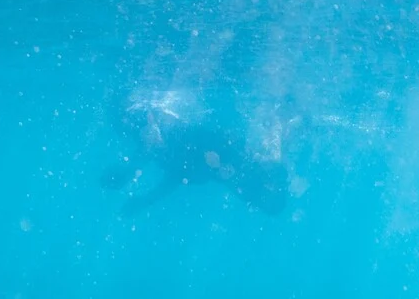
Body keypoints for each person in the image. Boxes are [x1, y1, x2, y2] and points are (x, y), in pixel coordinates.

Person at [108, 87, 288, 214]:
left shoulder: (252, 186)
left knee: (169, 156)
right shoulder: (262, 171)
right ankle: (130, 166)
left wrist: (146, 200)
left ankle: (130, 165)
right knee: (165, 151)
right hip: (205, 151)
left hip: (201, 157)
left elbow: (178, 174)